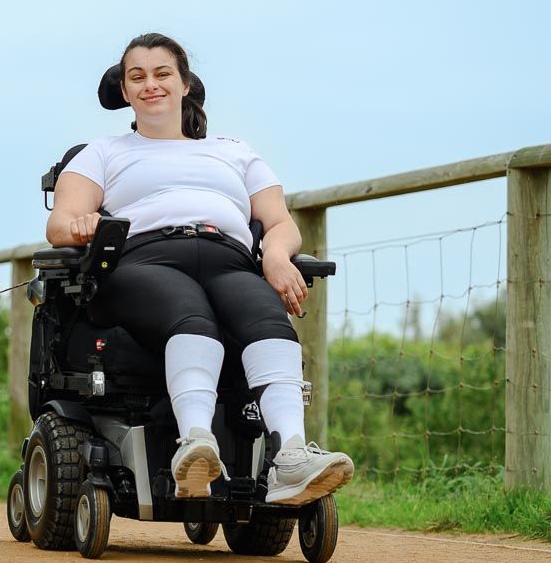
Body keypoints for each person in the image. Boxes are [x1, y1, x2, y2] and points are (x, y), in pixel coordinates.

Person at [44, 32, 353, 505]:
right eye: (138, 77)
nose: (151, 85)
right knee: (191, 316)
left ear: (185, 83)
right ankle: (195, 445)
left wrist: (274, 255)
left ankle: (290, 456)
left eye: (162, 73)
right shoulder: (103, 152)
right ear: (124, 90)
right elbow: (59, 225)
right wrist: (82, 225)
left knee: (268, 319)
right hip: (144, 259)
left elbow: (280, 223)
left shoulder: (234, 150)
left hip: (228, 258)